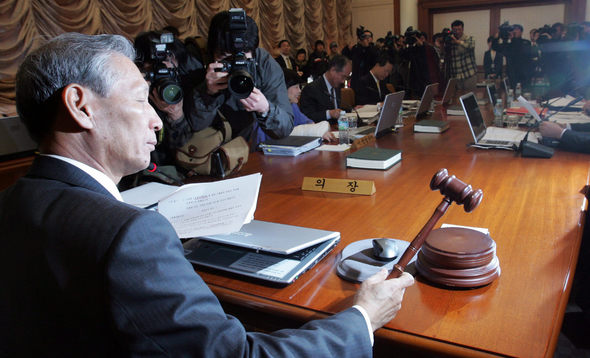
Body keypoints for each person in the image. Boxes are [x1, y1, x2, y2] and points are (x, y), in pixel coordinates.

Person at [0, 32, 414, 357]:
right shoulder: (131, 236)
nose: (156, 123)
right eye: (142, 100)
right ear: (80, 105)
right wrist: (362, 317)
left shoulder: (11, 203)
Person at [171, 10, 293, 150]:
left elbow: (284, 129)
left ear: (253, 53)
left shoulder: (262, 63)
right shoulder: (194, 62)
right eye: (226, 58)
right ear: (212, 51)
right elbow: (192, 126)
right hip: (199, 153)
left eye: (243, 60)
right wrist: (207, 92)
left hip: (241, 149)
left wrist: (266, 109)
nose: (236, 65)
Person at [133, 31, 205, 166]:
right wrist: (140, 96)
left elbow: (187, 147)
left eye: (169, 61)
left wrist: (176, 115)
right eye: (155, 66)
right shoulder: (134, 92)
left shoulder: (188, 85)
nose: (164, 70)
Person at [255, 69, 335, 142]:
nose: (300, 91)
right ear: (282, 88)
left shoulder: (292, 106)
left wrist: (318, 131)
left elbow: (307, 122)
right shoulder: (266, 110)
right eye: (296, 87)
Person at [299, 55, 352, 123]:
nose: (343, 81)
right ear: (333, 70)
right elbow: (308, 117)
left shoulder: (337, 86)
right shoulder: (311, 89)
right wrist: (329, 114)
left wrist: (351, 110)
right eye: (343, 77)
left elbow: (335, 109)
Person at [492, 24, 532, 90]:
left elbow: (518, 48)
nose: (514, 31)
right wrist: (497, 37)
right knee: (514, 95)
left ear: (521, 32)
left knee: (525, 95)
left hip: (524, 75)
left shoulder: (526, 43)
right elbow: (495, 47)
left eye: (516, 29)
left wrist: (513, 38)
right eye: (513, 30)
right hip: (512, 75)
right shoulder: (509, 45)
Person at [448, 20, 477, 94]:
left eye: (459, 29)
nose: (457, 32)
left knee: (470, 97)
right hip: (456, 76)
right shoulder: (450, 41)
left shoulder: (469, 38)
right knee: (457, 99)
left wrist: (457, 41)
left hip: (469, 74)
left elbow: (470, 46)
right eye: (455, 30)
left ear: (463, 29)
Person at [350, 27, 379, 96]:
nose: (366, 38)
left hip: (368, 80)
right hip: (356, 79)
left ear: (372, 38)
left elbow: (373, 58)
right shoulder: (357, 48)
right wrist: (359, 45)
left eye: (368, 37)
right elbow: (349, 55)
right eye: (364, 36)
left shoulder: (374, 49)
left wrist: (367, 47)